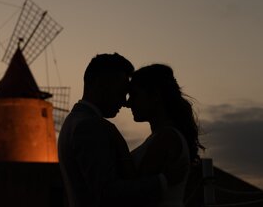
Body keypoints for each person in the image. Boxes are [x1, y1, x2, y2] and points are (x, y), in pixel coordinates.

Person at [58, 54, 176, 207]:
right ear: (100, 84)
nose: (124, 101)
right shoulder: (89, 126)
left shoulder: (74, 121)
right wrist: (163, 181)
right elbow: (107, 192)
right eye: (121, 92)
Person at [125, 64, 205, 207]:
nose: (128, 103)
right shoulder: (162, 137)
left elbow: (137, 194)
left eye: (134, 95)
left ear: (155, 96)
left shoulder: (166, 139)